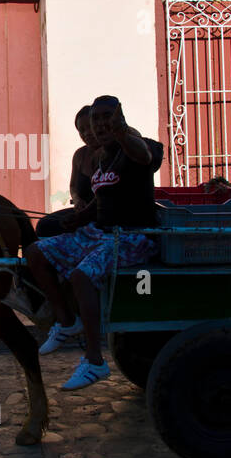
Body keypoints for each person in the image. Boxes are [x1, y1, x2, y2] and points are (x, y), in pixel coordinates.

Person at [24, 95, 162, 390]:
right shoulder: (103, 156)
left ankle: (95, 361)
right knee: (35, 253)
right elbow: (101, 199)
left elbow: (144, 157)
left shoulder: (140, 147)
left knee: (82, 276)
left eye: (106, 117)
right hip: (100, 231)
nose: (99, 125)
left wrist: (122, 131)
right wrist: (79, 218)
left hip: (133, 237)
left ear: (120, 118)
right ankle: (65, 319)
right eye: (95, 119)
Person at [34, 105, 98, 240]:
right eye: (82, 130)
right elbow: (73, 186)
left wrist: (84, 214)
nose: (86, 133)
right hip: (82, 212)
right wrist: (77, 200)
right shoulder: (79, 155)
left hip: (101, 214)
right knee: (44, 225)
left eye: (89, 127)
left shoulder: (110, 152)